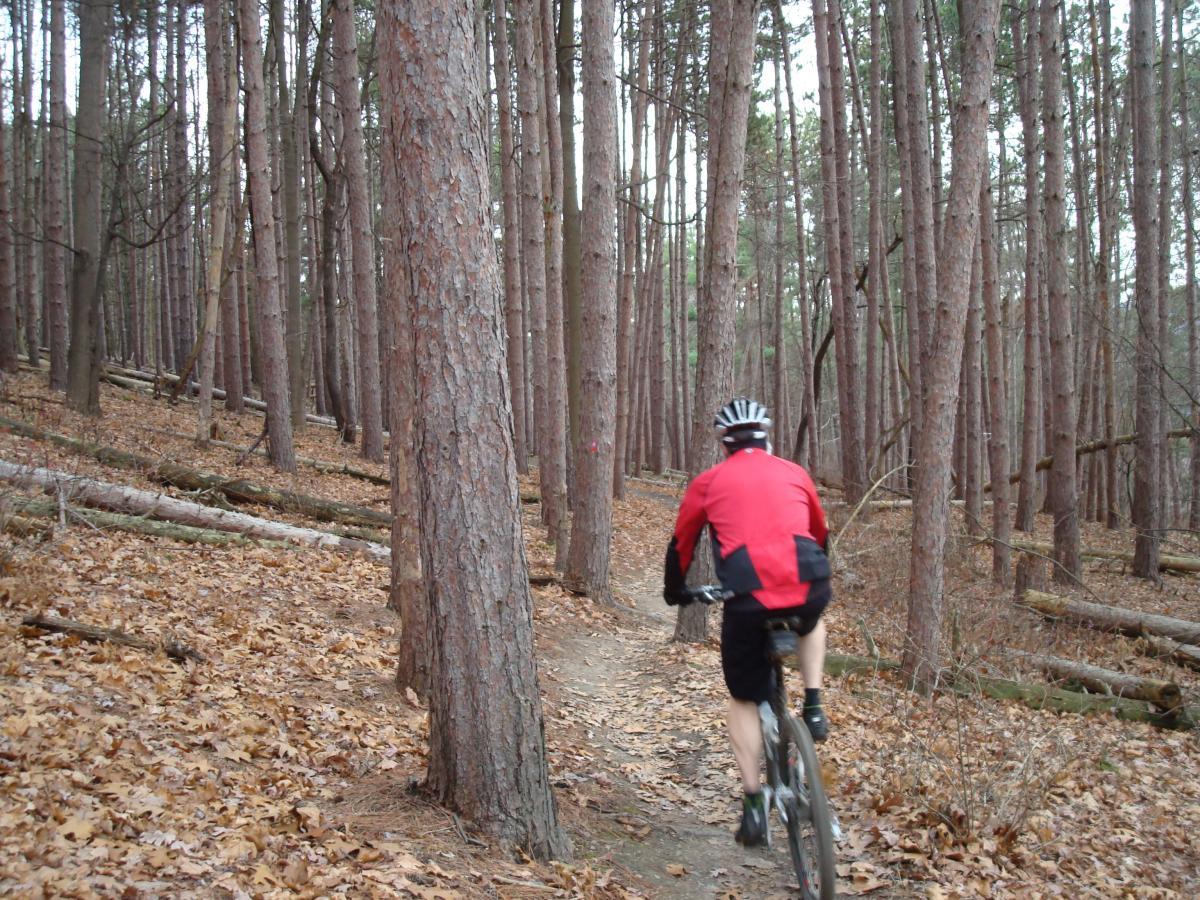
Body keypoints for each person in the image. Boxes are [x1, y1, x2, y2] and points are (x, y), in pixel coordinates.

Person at [663, 397, 832, 848]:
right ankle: (813, 704)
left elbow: (682, 543)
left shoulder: (709, 481)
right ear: (766, 438)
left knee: (742, 697)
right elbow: (819, 533)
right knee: (813, 619)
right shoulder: (794, 472)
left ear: (725, 444)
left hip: (748, 597)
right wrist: (814, 576)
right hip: (808, 578)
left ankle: (754, 803)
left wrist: (675, 591)